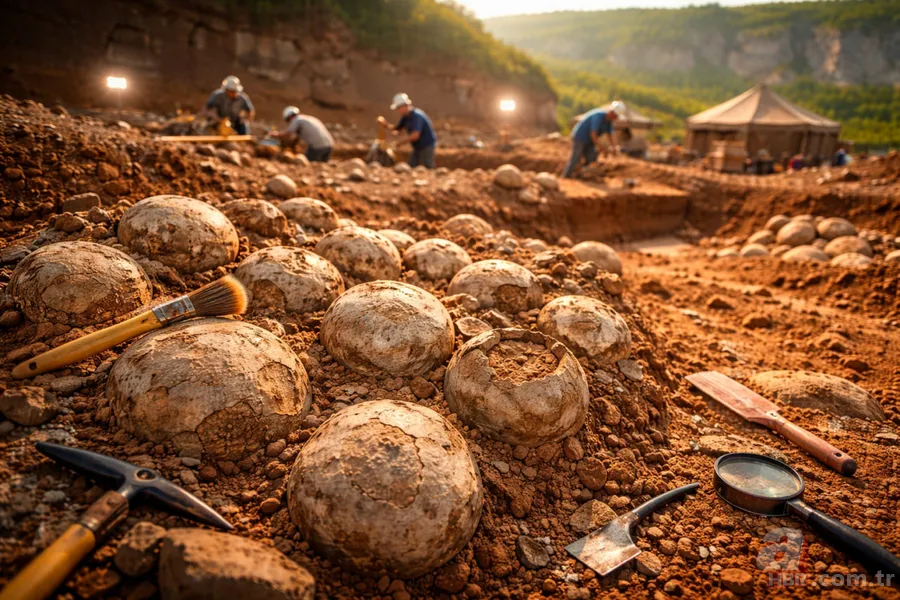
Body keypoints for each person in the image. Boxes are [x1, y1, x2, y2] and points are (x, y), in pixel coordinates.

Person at [562, 101, 623, 178]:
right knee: (576, 156)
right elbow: (593, 133)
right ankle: (566, 176)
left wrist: (614, 147)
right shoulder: (598, 116)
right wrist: (601, 147)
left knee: (591, 156)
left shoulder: (609, 122)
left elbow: (610, 134)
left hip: (590, 140)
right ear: (611, 113)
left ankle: (582, 174)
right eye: (615, 116)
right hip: (579, 137)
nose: (615, 118)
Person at [377, 93, 437, 169]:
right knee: (411, 166)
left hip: (427, 145)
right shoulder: (406, 117)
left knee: (428, 166)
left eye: (398, 108)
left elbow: (415, 135)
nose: (398, 111)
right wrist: (385, 124)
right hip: (417, 147)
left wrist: (399, 143)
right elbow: (397, 129)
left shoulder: (416, 116)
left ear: (404, 106)